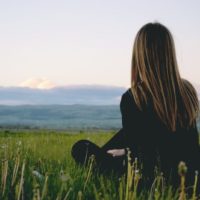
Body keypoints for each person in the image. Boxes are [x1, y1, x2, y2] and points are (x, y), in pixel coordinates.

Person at [71, 22, 200, 188]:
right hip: (189, 175)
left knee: (81, 148)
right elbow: (184, 145)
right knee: (127, 133)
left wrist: (124, 154)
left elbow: (142, 159)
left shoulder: (134, 97)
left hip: (151, 178)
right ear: (169, 53)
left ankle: (104, 161)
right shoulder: (187, 90)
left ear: (140, 55)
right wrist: (128, 150)